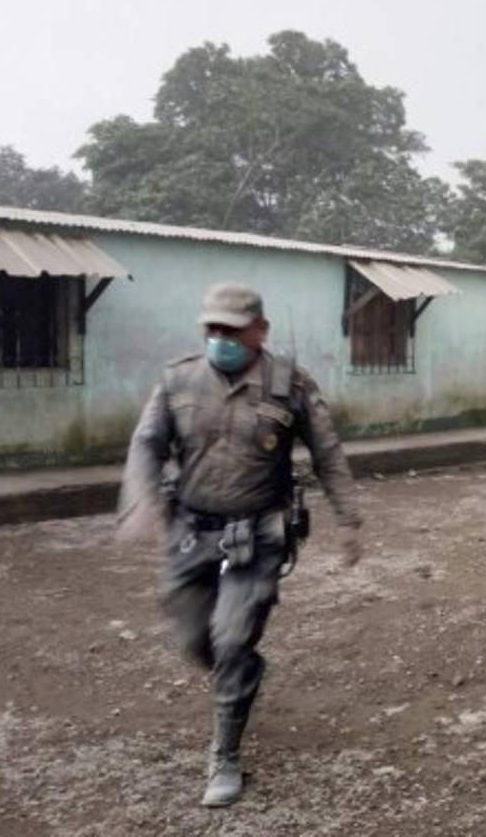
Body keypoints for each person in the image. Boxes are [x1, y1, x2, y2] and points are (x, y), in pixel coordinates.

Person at [116, 283, 363, 807]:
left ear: (260, 331)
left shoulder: (288, 385)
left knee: (230, 640)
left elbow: (328, 453)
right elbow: (147, 444)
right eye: (212, 328)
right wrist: (140, 500)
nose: (219, 338)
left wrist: (349, 520)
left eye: (231, 329)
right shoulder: (178, 378)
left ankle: (225, 753)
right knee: (193, 638)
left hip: (258, 537)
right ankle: (243, 674)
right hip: (189, 532)